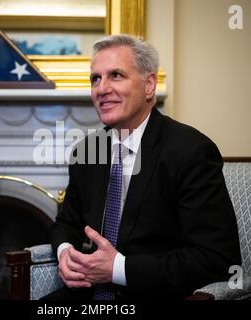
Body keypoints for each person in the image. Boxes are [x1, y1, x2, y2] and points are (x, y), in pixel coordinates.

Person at [46, 34, 241, 300]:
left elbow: (216, 259)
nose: (101, 89)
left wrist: (117, 269)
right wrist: (66, 252)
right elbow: (66, 223)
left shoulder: (190, 151)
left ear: (149, 85)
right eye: (95, 78)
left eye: (115, 75)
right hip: (87, 295)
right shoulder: (87, 151)